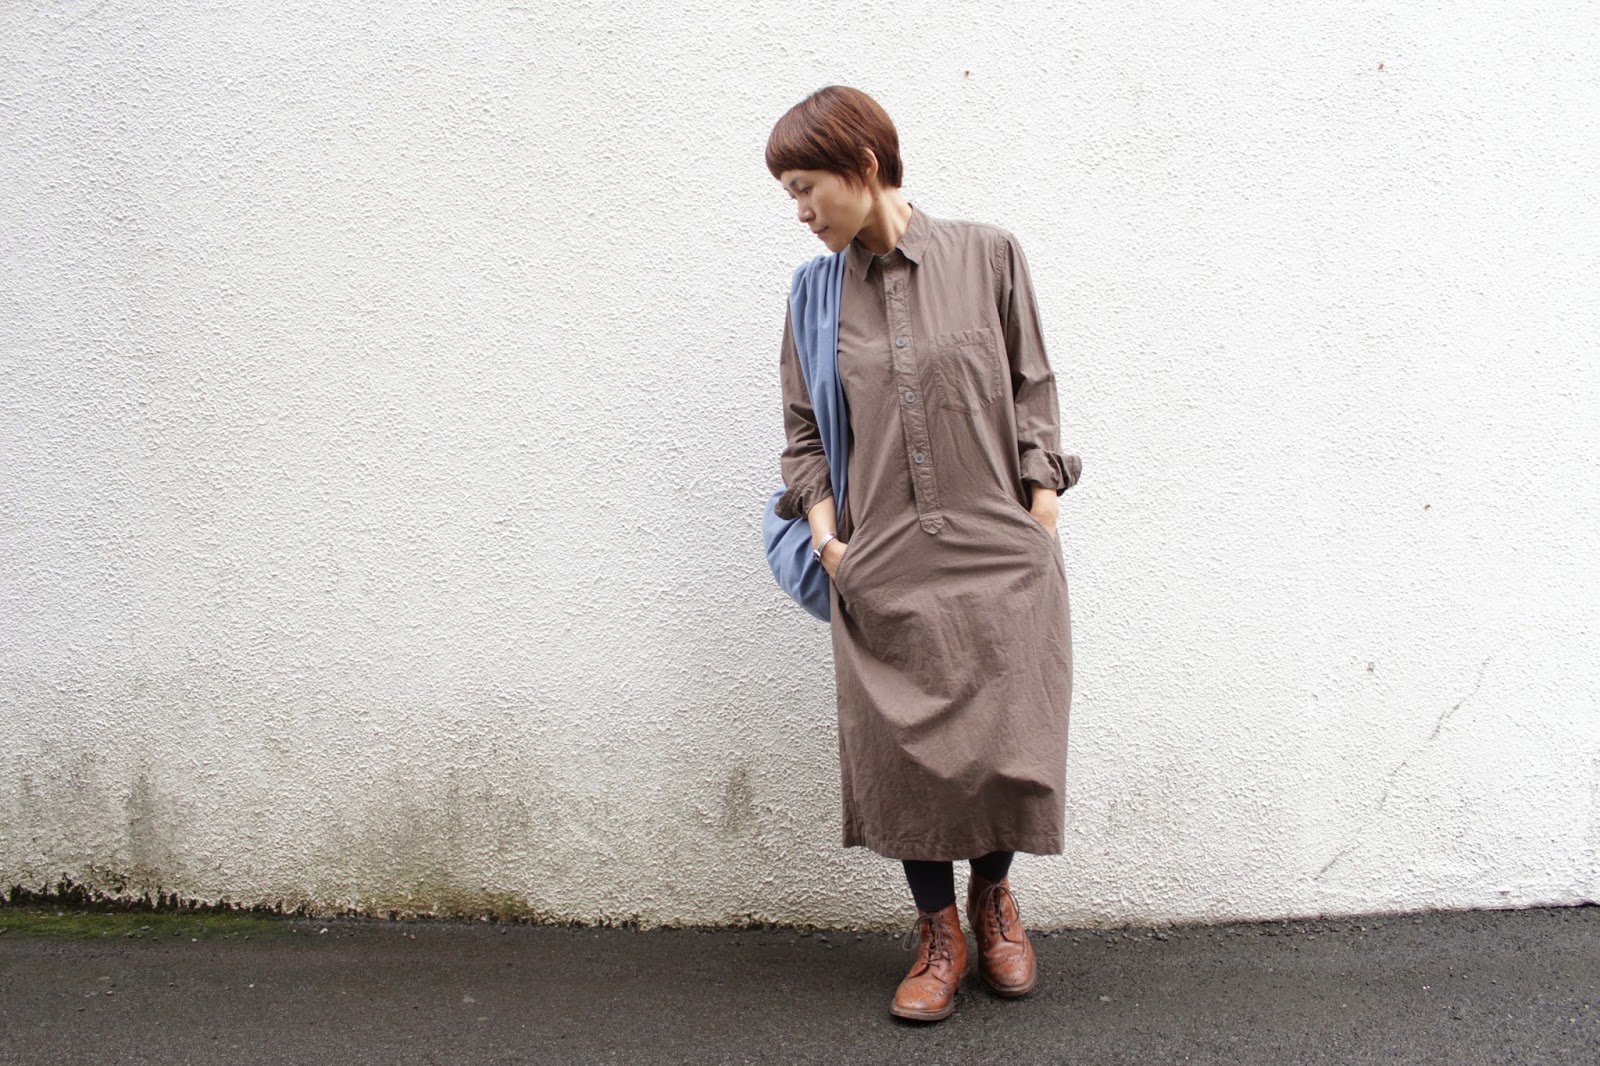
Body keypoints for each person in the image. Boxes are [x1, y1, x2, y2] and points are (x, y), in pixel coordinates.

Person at [766, 86, 1083, 1023]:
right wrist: (830, 541)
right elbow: (803, 434)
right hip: (883, 562)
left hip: (998, 552)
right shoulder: (813, 294)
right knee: (905, 754)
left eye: (806, 185)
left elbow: (1032, 388)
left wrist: (1040, 513)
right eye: (789, 193)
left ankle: (995, 901)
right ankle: (937, 931)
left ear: (863, 166)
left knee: (1006, 744)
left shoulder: (989, 254)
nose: (800, 210)